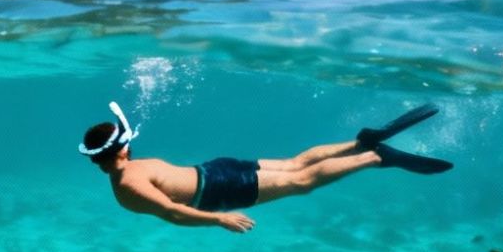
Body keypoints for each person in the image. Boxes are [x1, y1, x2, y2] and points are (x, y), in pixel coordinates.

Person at [78, 102, 450, 233]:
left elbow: (174, 213)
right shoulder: (134, 169)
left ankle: (373, 156)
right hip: (215, 169)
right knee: (295, 163)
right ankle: (360, 141)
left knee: (301, 180)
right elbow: (171, 209)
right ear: (122, 147)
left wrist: (219, 219)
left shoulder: (125, 184)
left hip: (219, 188)